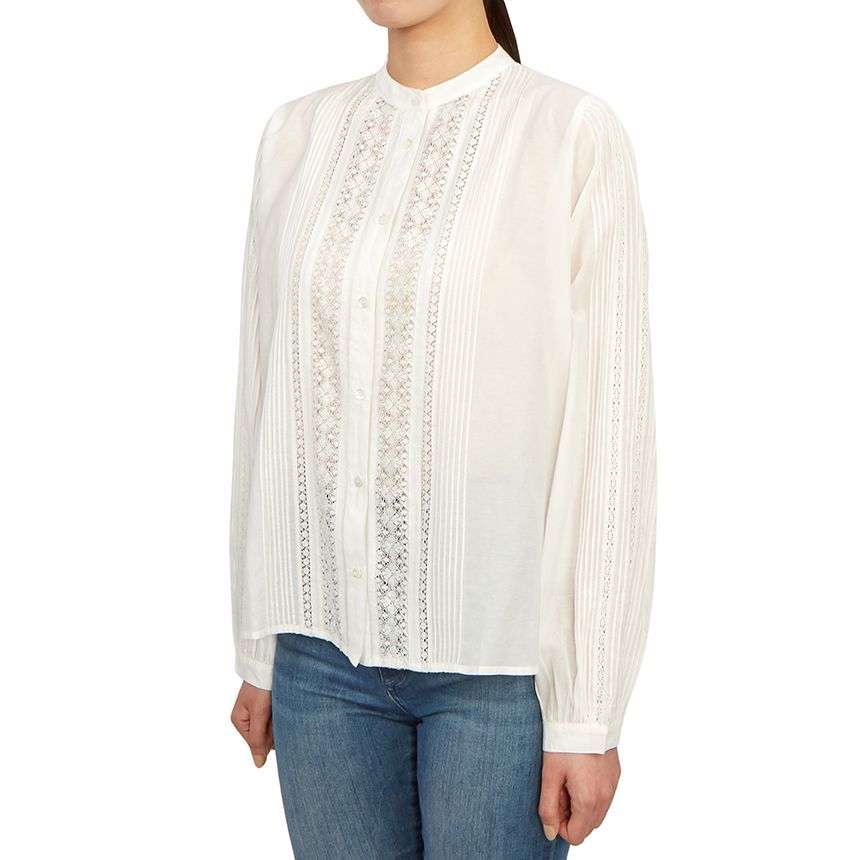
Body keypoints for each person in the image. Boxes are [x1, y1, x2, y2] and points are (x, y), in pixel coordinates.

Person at [228, 0, 657, 856]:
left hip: (498, 677)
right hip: (317, 662)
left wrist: (587, 710)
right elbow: (264, 399)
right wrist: (258, 647)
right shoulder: (295, 136)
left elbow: (609, 436)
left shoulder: (568, 135)